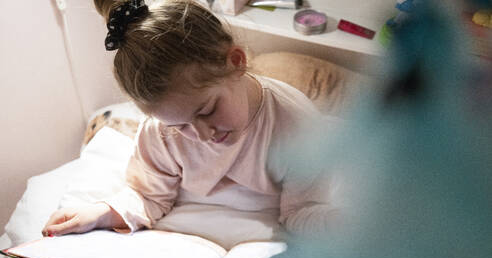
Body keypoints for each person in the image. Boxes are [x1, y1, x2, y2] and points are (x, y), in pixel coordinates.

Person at [42, 0, 341, 239]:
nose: (201, 134)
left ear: (236, 62)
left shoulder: (295, 125)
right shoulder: (161, 132)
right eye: (180, 125)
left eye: (207, 111)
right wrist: (103, 213)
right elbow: (148, 195)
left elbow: (302, 210)